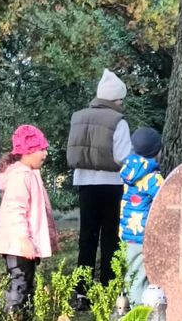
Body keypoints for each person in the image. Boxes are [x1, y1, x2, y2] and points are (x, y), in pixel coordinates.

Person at [66, 69, 132, 310]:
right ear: (115, 99)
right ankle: (107, 287)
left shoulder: (78, 117)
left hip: (85, 181)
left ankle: (81, 292)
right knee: (110, 237)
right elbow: (123, 155)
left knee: (87, 237)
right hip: (112, 183)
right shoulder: (118, 121)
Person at [0, 125, 59, 313]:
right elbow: (16, 209)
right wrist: (23, 239)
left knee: (27, 284)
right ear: (28, 151)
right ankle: (13, 314)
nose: (45, 153)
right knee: (20, 284)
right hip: (18, 244)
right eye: (41, 149)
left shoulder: (30, 173)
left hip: (24, 243)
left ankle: (23, 314)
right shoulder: (20, 176)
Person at [119, 127, 163, 306]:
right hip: (143, 235)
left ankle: (128, 305)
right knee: (140, 277)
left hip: (127, 231)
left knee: (132, 273)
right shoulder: (153, 178)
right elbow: (165, 200)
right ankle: (138, 310)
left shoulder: (129, 172)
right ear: (158, 152)